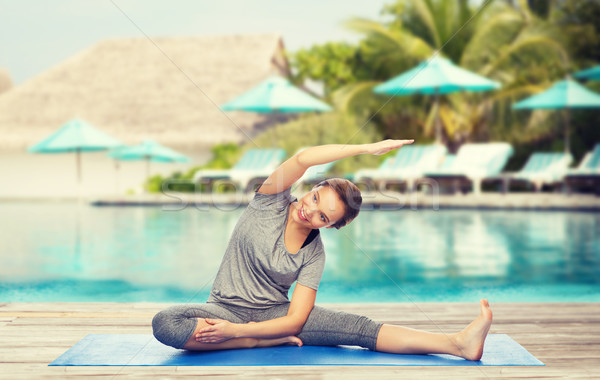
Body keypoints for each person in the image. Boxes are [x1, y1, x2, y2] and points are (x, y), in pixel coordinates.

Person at [152, 140, 493, 360]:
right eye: (314, 198)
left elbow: (296, 319)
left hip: (276, 317)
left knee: (359, 329)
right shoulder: (268, 202)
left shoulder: (314, 255)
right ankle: (256, 344)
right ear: (312, 188)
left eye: (323, 216)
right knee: (166, 323)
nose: (309, 211)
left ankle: (456, 344)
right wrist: (365, 149)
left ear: (329, 226)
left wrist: (237, 332)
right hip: (223, 307)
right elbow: (302, 158)